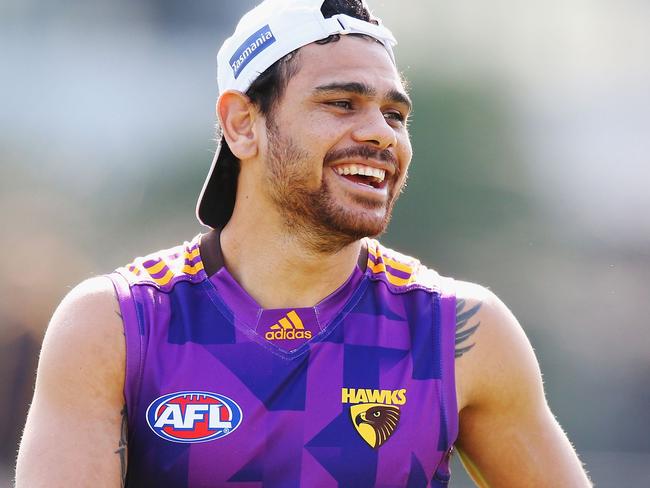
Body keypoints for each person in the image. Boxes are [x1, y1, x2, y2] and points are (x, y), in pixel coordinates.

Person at [16, 0, 592, 486]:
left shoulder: (461, 331)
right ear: (243, 123)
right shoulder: (115, 326)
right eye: (341, 103)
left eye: (394, 114)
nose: (379, 132)